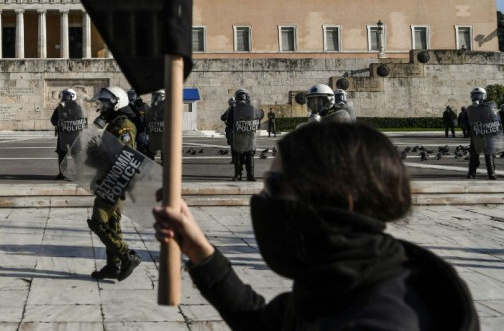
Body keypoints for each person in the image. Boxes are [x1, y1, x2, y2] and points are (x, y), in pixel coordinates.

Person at [153, 122, 479, 330]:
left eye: (275, 186)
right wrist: (199, 250)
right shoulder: (342, 274)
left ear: (335, 197)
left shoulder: (380, 320)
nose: (264, 198)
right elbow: (264, 324)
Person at [88, 86, 141, 281]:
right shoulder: (114, 123)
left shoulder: (123, 125)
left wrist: (98, 155)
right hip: (110, 179)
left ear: (117, 104)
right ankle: (113, 266)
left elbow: (122, 156)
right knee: (111, 223)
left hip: (116, 181)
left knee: (98, 222)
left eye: (105, 104)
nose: (102, 107)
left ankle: (127, 256)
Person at [465, 87, 502, 180]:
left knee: (488, 154)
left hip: (487, 133)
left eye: (478, 95)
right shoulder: (470, 109)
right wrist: (469, 129)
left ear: (484, 96)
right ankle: (472, 173)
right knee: (474, 155)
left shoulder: (488, 107)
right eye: (475, 95)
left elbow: (495, 119)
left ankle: (491, 173)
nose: (476, 97)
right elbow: (466, 121)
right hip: (477, 133)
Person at [50, 88, 86, 180]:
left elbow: (79, 120)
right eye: (64, 94)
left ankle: (79, 175)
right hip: (62, 134)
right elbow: (53, 119)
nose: (64, 97)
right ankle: (62, 174)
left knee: (76, 154)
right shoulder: (59, 107)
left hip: (74, 134)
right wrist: (59, 122)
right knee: (61, 154)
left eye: (66, 95)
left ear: (72, 96)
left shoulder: (77, 107)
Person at [231, 89, 261, 182]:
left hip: (238, 136)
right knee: (249, 155)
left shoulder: (233, 109)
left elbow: (229, 122)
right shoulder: (252, 109)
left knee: (238, 155)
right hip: (249, 136)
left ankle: (238, 175)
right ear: (247, 98)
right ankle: (250, 175)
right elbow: (259, 119)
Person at [127, 89, 149, 155]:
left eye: (132, 95)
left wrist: (148, 131)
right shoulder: (127, 107)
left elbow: (148, 118)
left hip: (141, 130)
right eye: (129, 95)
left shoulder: (143, 106)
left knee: (142, 148)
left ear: (137, 96)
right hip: (130, 130)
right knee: (128, 147)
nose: (131, 98)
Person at [220, 98, 236, 165]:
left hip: (233, 130)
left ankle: (235, 160)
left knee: (233, 146)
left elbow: (223, 117)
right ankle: (235, 160)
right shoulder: (231, 110)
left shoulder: (231, 110)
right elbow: (223, 117)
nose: (229, 104)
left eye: (230, 102)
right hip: (235, 130)